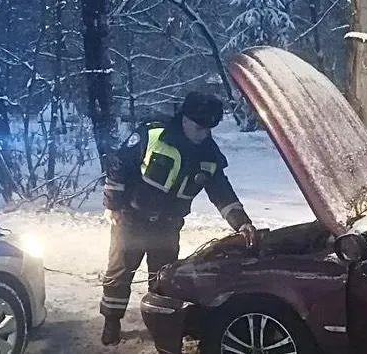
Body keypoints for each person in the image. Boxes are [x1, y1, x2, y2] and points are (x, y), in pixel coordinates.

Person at [99, 92, 257, 345]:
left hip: (168, 226)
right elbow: (119, 167)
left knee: (163, 279)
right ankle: (111, 321)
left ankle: (160, 325)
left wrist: (242, 222)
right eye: (197, 127)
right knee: (119, 274)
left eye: (208, 129)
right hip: (131, 220)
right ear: (184, 118)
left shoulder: (209, 155)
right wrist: (113, 206)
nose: (202, 133)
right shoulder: (153, 134)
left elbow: (221, 192)